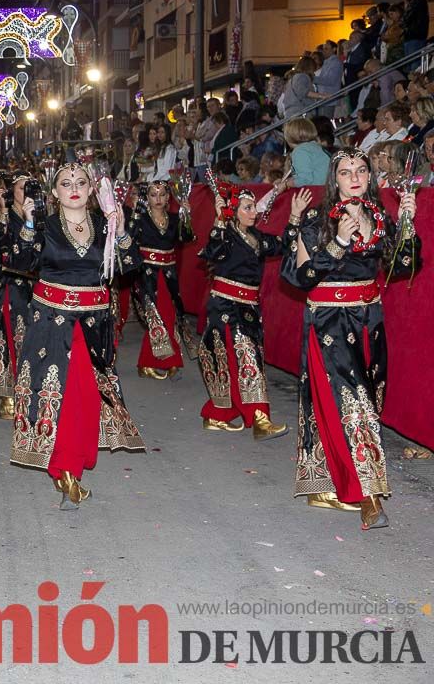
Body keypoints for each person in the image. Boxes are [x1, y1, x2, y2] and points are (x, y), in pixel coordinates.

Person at [280, 148, 420, 530]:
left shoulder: (380, 219)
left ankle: (331, 481)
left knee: (367, 404)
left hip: (369, 321)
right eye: (346, 172)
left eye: (361, 170)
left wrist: (407, 223)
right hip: (329, 323)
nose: (355, 177)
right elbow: (296, 278)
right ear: (335, 179)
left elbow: (404, 265)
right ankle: (371, 498)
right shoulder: (316, 223)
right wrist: (337, 244)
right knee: (354, 403)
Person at [7, 162, 145, 508]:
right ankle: (65, 470)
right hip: (52, 323)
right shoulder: (46, 226)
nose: (74, 188)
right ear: (54, 193)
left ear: (92, 191)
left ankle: (70, 465)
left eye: (81, 182)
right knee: (62, 395)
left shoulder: (104, 225)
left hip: (94, 325)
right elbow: (21, 260)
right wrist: (27, 222)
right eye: (65, 183)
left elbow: (130, 264)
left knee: (85, 397)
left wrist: (122, 229)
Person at [195, 183, 299, 438]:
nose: (254, 212)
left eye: (254, 207)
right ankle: (260, 419)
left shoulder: (258, 238)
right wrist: (219, 221)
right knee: (241, 358)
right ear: (234, 211)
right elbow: (213, 252)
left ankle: (217, 414)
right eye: (248, 207)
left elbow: (284, 244)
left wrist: (295, 215)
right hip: (225, 306)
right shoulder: (225, 235)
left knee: (237, 360)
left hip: (250, 307)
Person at [128, 181, 196, 380]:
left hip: (169, 274)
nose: (158, 199)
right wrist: (132, 215)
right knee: (156, 317)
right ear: (146, 198)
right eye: (153, 195)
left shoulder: (174, 219)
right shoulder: (140, 219)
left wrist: (186, 216)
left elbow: (186, 237)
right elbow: (128, 241)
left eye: (162, 194)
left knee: (169, 317)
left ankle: (153, 362)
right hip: (147, 274)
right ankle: (163, 362)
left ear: (169, 198)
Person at [283, 117, 329, 186]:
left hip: (317, 190)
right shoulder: (315, 147)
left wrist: (285, 184)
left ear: (289, 137)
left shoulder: (300, 151)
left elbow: (305, 180)